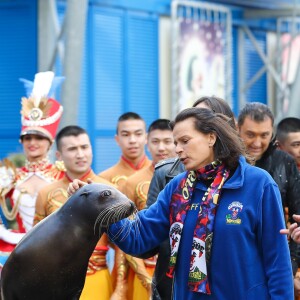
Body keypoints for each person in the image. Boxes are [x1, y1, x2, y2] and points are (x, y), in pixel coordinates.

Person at [105, 108, 293, 299]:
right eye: (176, 142)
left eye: (185, 141)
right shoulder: (177, 189)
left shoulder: (258, 184)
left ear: (211, 138)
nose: (177, 149)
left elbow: (277, 260)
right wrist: (98, 207)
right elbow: (138, 237)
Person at [144, 96, 236, 300]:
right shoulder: (170, 179)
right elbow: (146, 238)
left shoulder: (248, 180)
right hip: (174, 288)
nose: (177, 148)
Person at [34, 125, 113, 300]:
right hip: (55, 283)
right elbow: (37, 245)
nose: (80, 154)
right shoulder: (45, 194)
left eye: (84, 147)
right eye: (72, 149)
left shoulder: (111, 191)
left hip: (98, 279)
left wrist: (120, 288)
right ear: (59, 156)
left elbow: (123, 245)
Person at [0, 71, 65, 268]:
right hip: (18, 250)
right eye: (28, 138)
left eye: (38, 138)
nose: (33, 143)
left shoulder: (62, 176)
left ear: (50, 142)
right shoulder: (10, 176)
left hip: (57, 250)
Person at [237, 102, 300, 277]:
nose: (257, 142)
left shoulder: (285, 162)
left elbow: (298, 218)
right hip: (236, 260)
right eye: (250, 135)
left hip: (276, 260)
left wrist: (290, 269)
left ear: (272, 132)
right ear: (237, 129)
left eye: (264, 135)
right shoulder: (227, 163)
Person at [98, 112, 152, 299]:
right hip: (121, 264)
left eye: (138, 134)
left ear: (146, 137)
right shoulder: (104, 179)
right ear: (117, 139)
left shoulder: (162, 173)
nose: (132, 140)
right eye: (126, 135)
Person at [121, 119, 176, 299]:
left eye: (168, 141)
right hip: (144, 264)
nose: (161, 148)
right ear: (147, 142)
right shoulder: (132, 182)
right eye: (155, 141)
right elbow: (134, 232)